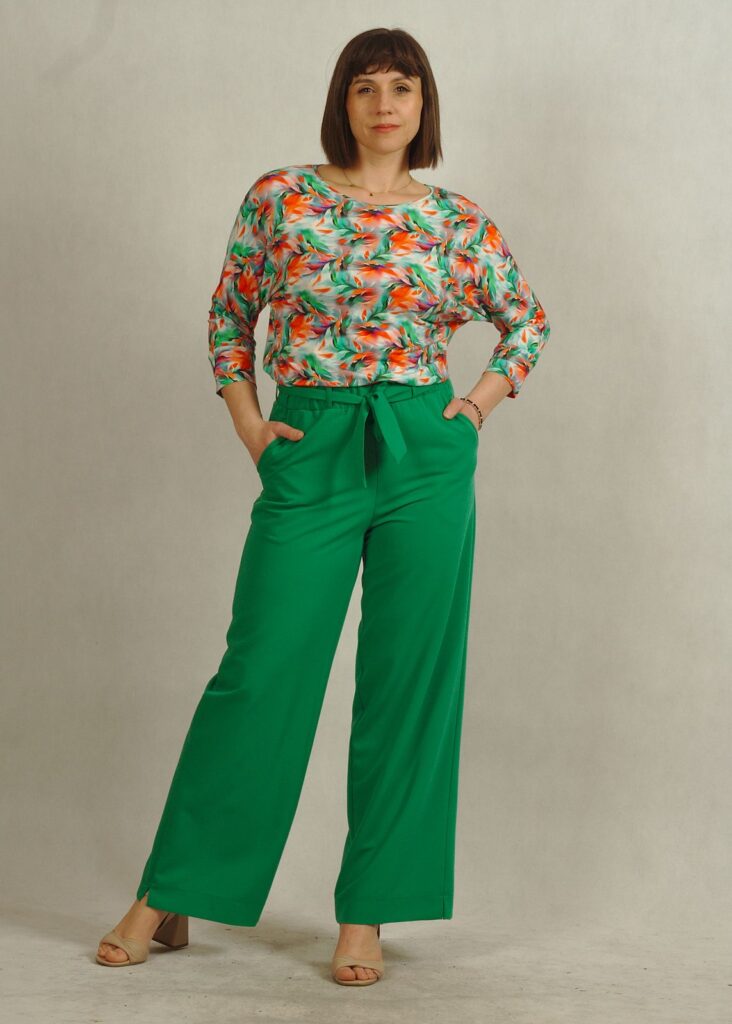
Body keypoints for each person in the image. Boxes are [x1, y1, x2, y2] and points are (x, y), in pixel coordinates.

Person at [96, 26, 550, 987]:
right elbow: (230, 315)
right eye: (366, 86)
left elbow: (527, 322)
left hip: (424, 451)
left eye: (403, 87)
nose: (385, 104)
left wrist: (471, 410)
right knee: (262, 669)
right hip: (311, 440)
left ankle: (367, 910)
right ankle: (171, 889)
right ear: (342, 101)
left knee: (406, 684)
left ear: (424, 105)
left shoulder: (458, 222)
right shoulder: (282, 197)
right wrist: (251, 426)